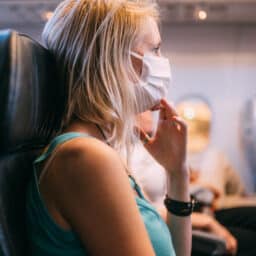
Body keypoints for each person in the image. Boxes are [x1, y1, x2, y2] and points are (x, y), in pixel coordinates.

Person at [26, 1, 192, 256]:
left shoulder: (101, 147)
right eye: (155, 49)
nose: (162, 60)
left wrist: (177, 173)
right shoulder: (85, 158)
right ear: (114, 62)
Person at [131, 111, 256, 256]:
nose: (151, 112)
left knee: (215, 157)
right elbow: (143, 210)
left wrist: (188, 176)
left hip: (188, 202)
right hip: (182, 214)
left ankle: (236, 196)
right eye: (144, 109)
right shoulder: (121, 153)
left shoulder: (150, 141)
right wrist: (204, 221)